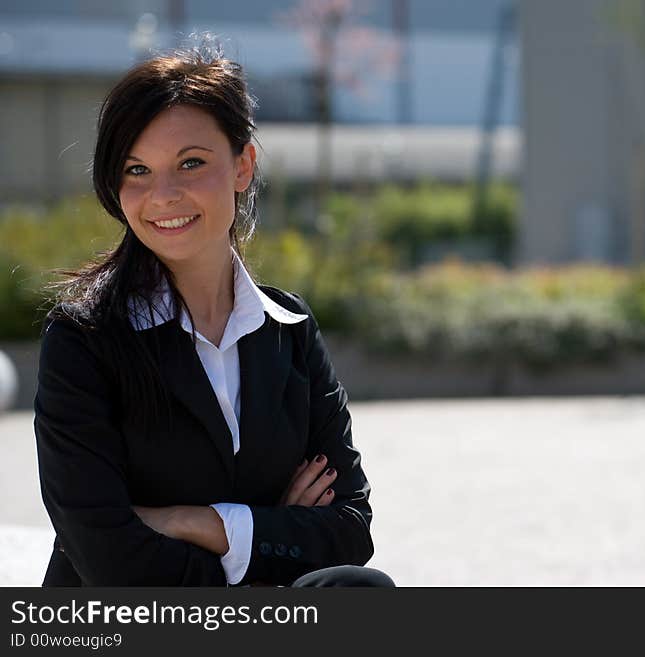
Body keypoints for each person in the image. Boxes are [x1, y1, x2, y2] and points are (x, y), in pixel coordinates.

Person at [33, 43, 393, 588]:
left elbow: (349, 530)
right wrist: (271, 529)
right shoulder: (82, 341)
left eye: (191, 163)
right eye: (137, 170)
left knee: (360, 589)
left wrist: (194, 523)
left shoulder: (289, 330)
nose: (164, 195)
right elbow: (109, 559)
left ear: (243, 166)